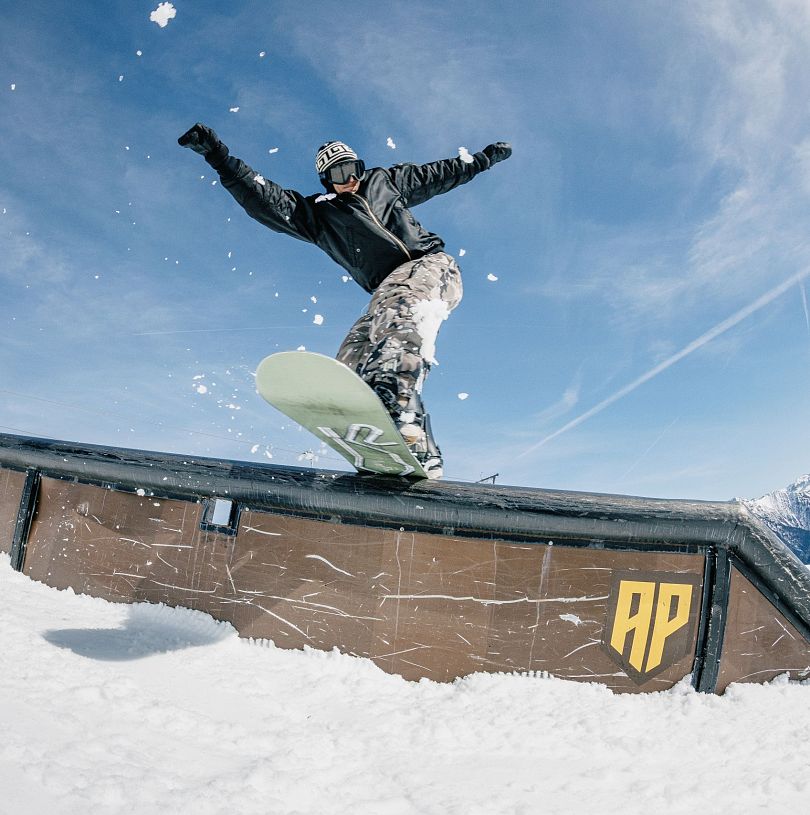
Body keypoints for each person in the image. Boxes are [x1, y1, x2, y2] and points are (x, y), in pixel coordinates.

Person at [179, 123, 512, 478]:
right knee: (355, 356)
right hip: (385, 293)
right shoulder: (317, 216)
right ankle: (414, 443)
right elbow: (263, 196)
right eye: (339, 174)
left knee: (398, 316)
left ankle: (399, 399)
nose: (350, 179)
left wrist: (483, 159)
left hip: (430, 267)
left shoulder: (385, 182)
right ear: (327, 180)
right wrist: (219, 157)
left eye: (353, 169)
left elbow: (439, 174)